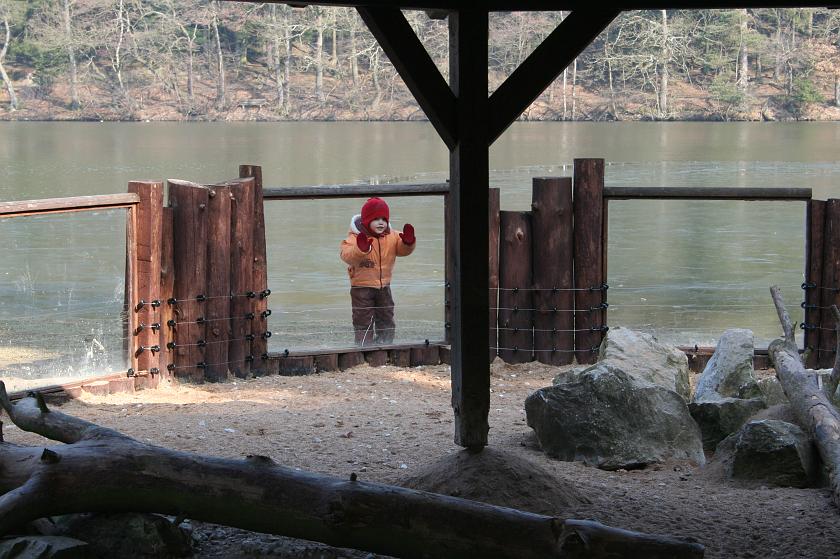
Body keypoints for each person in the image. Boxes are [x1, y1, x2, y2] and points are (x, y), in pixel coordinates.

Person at [340, 197, 416, 345]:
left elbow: (402, 250)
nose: (381, 222)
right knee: (363, 318)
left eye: (384, 219)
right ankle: (364, 346)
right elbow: (346, 255)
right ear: (366, 220)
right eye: (376, 219)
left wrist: (408, 242)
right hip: (361, 287)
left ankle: (385, 344)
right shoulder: (355, 237)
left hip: (384, 286)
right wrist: (360, 249)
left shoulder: (392, 236)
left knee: (386, 315)